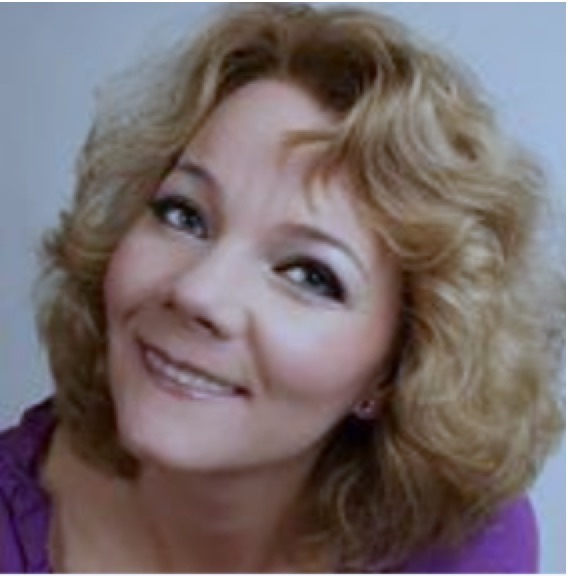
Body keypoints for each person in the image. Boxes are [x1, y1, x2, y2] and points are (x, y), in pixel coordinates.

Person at [0, 3, 564, 573]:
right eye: (184, 215)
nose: (198, 292)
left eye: (309, 275)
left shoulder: (464, 546)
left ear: (395, 371)